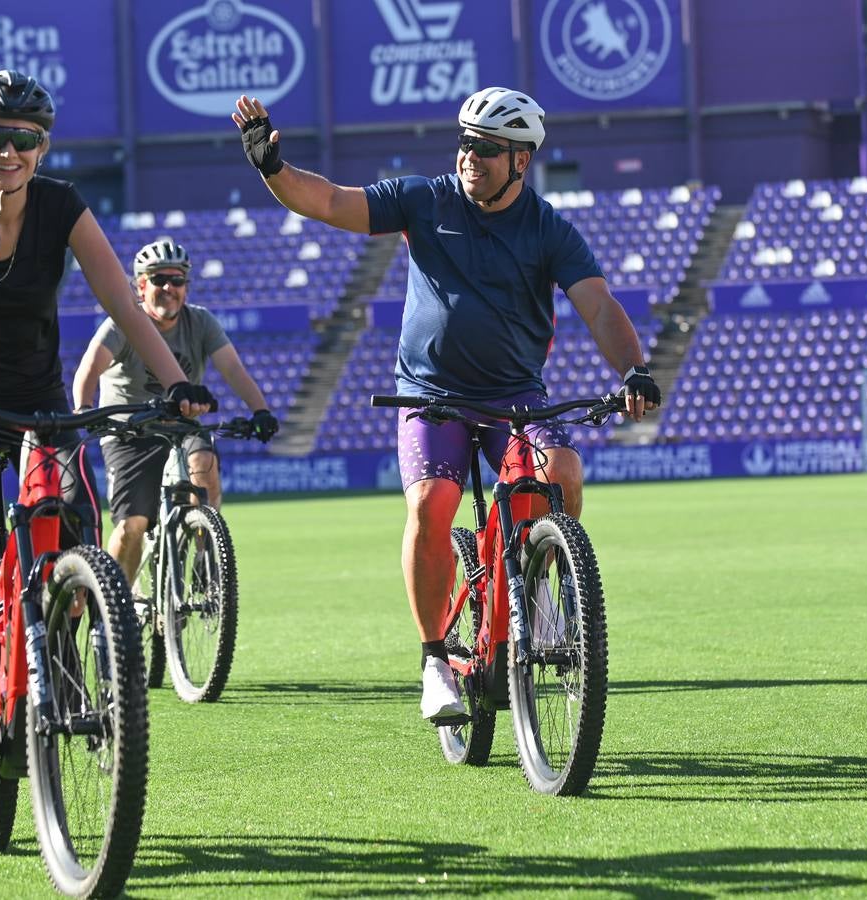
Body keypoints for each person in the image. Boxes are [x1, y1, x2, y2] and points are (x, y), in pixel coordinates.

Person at [232, 87, 661, 722]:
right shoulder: (424, 199)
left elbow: (598, 305)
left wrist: (634, 370)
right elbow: (328, 202)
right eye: (464, 142)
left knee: (563, 472)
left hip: (514, 395)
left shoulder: (549, 229)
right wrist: (272, 166)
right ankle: (435, 659)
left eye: (485, 148)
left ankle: (538, 590)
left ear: (521, 160)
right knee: (432, 502)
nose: (469, 156)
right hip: (430, 393)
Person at [0, 70, 214, 773]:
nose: (10, 151)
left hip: (37, 404)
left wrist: (176, 383)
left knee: (76, 525)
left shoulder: (62, 205)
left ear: (43, 147)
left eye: (26, 139)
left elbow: (123, 304)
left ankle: (58, 657)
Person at [71, 238, 279, 583]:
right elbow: (89, 370)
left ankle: (206, 557)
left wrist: (261, 411)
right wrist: (84, 409)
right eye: (159, 280)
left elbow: (233, 369)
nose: (169, 288)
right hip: (129, 432)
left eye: (177, 280)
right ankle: (119, 601)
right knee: (132, 525)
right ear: (141, 286)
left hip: (181, 427)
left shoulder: (201, 322)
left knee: (204, 464)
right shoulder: (123, 323)